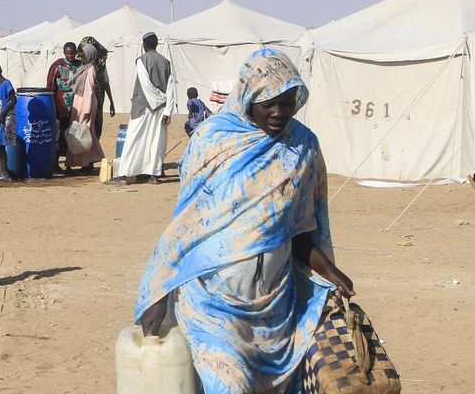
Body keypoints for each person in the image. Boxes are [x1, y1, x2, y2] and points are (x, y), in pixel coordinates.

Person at [134, 49, 356, 393]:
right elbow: (188, 225)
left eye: (287, 102)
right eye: (269, 103)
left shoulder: (302, 146)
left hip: (274, 310)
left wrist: (332, 274)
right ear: (248, 97)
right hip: (212, 304)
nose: (279, 112)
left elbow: (296, 230)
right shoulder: (212, 142)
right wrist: (158, 292)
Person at [110, 33, 176, 185]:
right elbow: (171, 87)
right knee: (156, 141)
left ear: (144, 45)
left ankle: (126, 175)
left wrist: (158, 100)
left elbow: (146, 85)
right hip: (161, 108)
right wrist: (167, 109)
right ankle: (153, 175)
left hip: (144, 106)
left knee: (134, 139)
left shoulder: (141, 61)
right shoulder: (165, 62)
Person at [65, 44, 106, 173]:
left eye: (83, 55)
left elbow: (89, 90)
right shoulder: (84, 68)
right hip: (80, 102)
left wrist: (87, 111)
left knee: (85, 133)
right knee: (77, 132)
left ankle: (87, 164)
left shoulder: (91, 69)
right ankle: (78, 163)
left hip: (86, 104)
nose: (81, 57)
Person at [78, 36, 116, 137]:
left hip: (97, 98)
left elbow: (106, 82)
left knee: (96, 121)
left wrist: (111, 102)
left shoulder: (100, 65)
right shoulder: (79, 64)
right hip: (82, 99)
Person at [47, 42, 80, 156]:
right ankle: (56, 161)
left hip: (76, 103)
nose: (70, 56)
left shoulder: (80, 66)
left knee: (74, 131)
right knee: (59, 132)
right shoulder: (57, 66)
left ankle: (70, 160)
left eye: (72, 54)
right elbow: (51, 86)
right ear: (64, 53)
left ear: (76, 53)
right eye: (67, 54)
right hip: (60, 103)